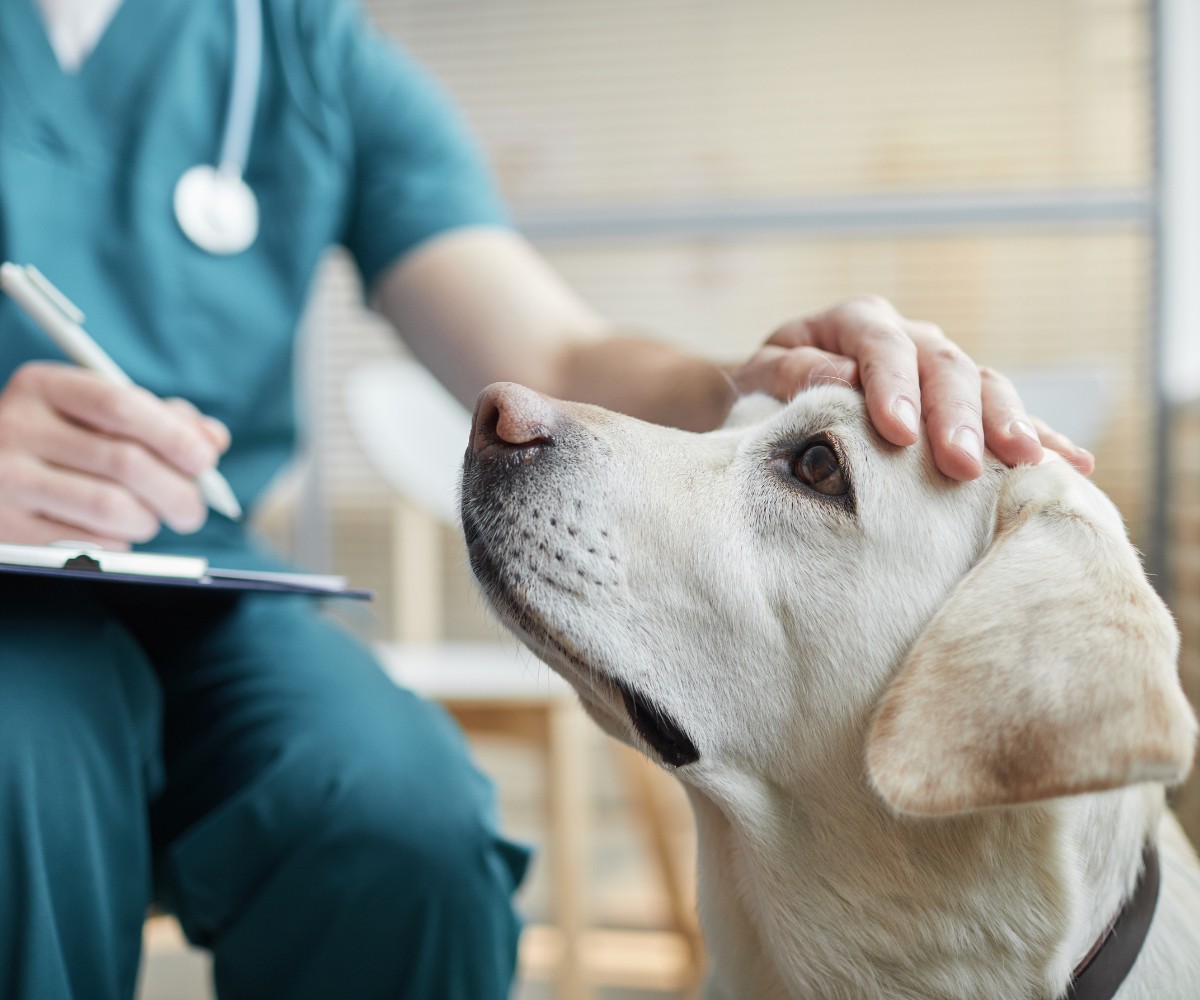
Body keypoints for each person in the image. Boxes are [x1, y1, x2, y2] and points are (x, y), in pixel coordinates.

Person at [0, 1, 1094, 999]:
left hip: (203, 581)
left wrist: (764, 381)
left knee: (405, 821)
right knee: (23, 767)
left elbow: (555, 347)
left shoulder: (295, 46)